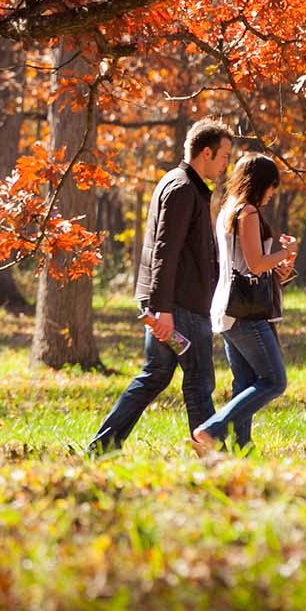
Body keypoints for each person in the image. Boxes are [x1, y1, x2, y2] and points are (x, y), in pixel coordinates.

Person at [86, 119, 235, 453]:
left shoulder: (180, 183)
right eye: (224, 155)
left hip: (173, 303)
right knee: (198, 380)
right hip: (178, 306)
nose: (227, 163)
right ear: (206, 152)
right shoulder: (182, 188)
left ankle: (103, 446)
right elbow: (164, 253)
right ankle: (211, 454)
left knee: (156, 374)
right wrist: (162, 309)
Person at [192, 153, 297, 454]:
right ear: (260, 183)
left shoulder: (228, 209)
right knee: (274, 381)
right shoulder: (246, 212)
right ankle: (211, 430)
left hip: (228, 308)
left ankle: (243, 447)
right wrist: (287, 252)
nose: (272, 195)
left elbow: (247, 263)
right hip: (244, 311)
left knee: (246, 381)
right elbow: (255, 263)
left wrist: (281, 267)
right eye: (271, 188)